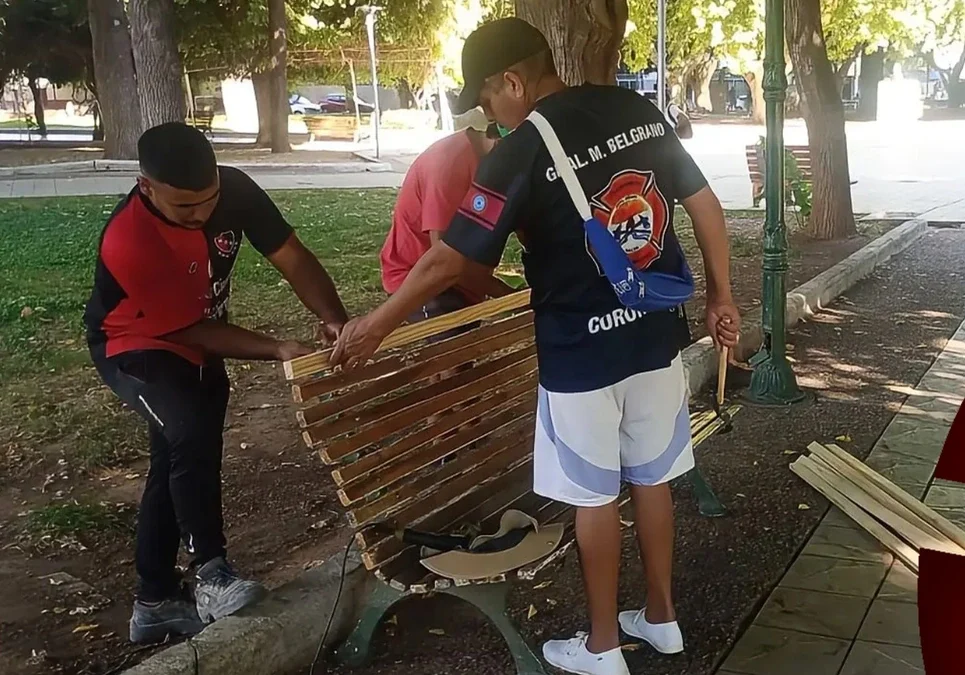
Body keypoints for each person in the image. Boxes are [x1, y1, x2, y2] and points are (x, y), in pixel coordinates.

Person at [331, 18, 740, 675]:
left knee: (593, 495)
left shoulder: (519, 150)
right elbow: (704, 204)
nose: (488, 113)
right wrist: (721, 295)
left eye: (487, 99)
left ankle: (603, 646)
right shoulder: (633, 108)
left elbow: (447, 261)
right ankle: (660, 618)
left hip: (579, 354)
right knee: (653, 478)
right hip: (655, 330)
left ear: (512, 82)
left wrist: (377, 324)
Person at [83, 123, 348, 645]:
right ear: (146, 186)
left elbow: (291, 255)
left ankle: (154, 601)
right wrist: (276, 347)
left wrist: (334, 318)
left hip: (198, 337)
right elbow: (185, 327)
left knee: (177, 454)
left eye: (209, 201)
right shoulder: (129, 238)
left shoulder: (236, 189)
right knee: (187, 434)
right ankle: (211, 574)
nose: (202, 214)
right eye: (186, 208)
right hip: (135, 343)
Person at [380, 115, 515, 337]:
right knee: (453, 357)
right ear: (501, 144)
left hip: (461, 278)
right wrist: (508, 295)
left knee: (462, 354)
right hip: (420, 277)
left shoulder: (494, 163)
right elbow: (441, 264)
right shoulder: (450, 163)